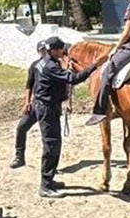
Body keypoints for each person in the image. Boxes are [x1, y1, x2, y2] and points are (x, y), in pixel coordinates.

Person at [32, 36, 99, 198]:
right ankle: (45, 186)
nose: (64, 52)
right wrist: (94, 66)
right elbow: (73, 79)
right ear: (54, 51)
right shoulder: (50, 66)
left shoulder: (45, 63)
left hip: (48, 106)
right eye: (61, 49)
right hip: (47, 108)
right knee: (51, 146)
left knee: (55, 144)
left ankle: (50, 179)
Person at [10, 40, 49, 169]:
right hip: (35, 103)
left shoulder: (54, 65)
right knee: (21, 127)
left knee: (46, 136)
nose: (44, 52)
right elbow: (29, 85)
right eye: (42, 50)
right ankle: (19, 157)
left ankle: (48, 165)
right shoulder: (34, 66)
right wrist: (27, 102)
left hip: (48, 106)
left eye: (45, 49)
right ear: (38, 51)